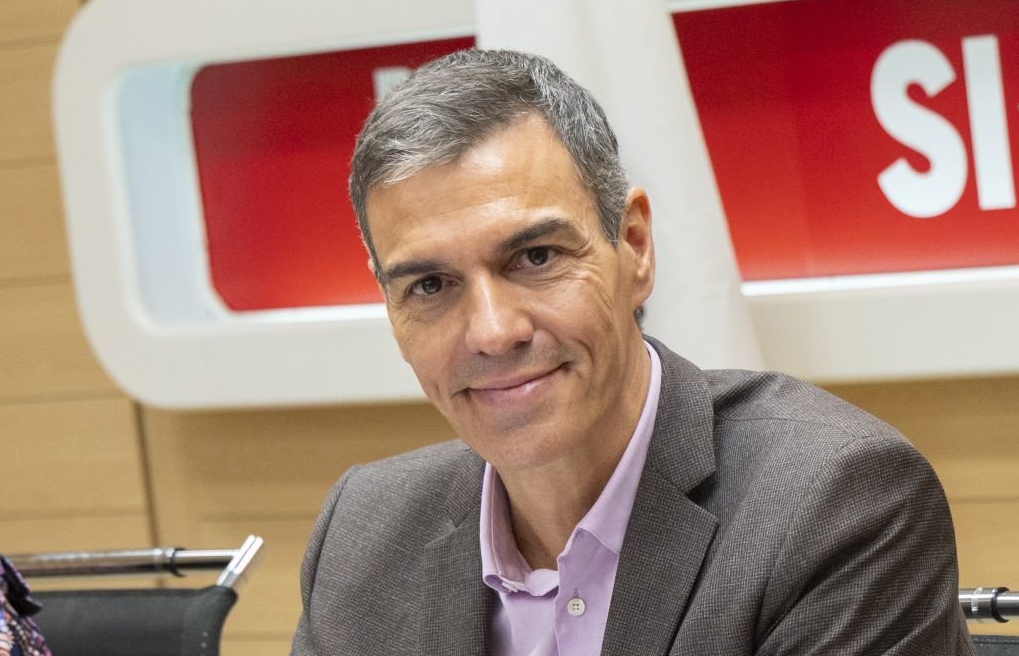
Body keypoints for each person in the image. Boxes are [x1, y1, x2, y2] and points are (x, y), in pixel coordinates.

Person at [291, 49, 974, 656]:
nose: (494, 331)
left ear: (635, 248)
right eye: (431, 284)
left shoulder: (834, 505)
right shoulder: (363, 535)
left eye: (535, 256)